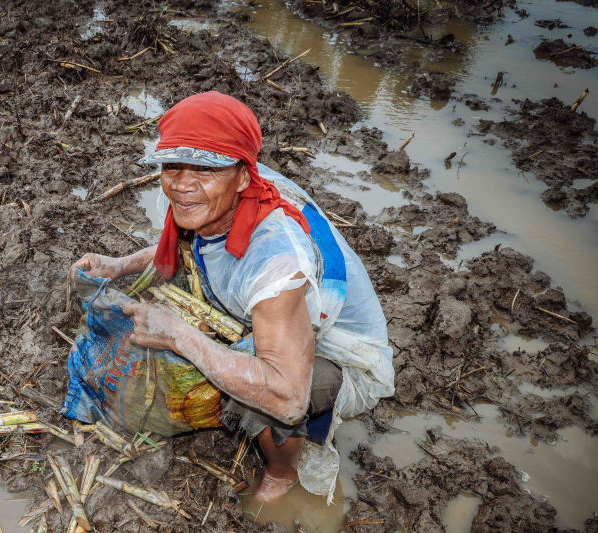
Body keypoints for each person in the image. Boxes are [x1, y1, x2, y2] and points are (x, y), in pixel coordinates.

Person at [71, 91, 394, 503]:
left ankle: (281, 473)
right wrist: (118, 265)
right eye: (172, 166)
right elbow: (190, 250)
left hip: (340, 355)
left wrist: (179, 337)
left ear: (243, 174)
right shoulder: (210, 196)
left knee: (259, 394)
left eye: (205, 169)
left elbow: (289, 397)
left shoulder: (276, 260)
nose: (183, 184)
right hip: (275, 315)